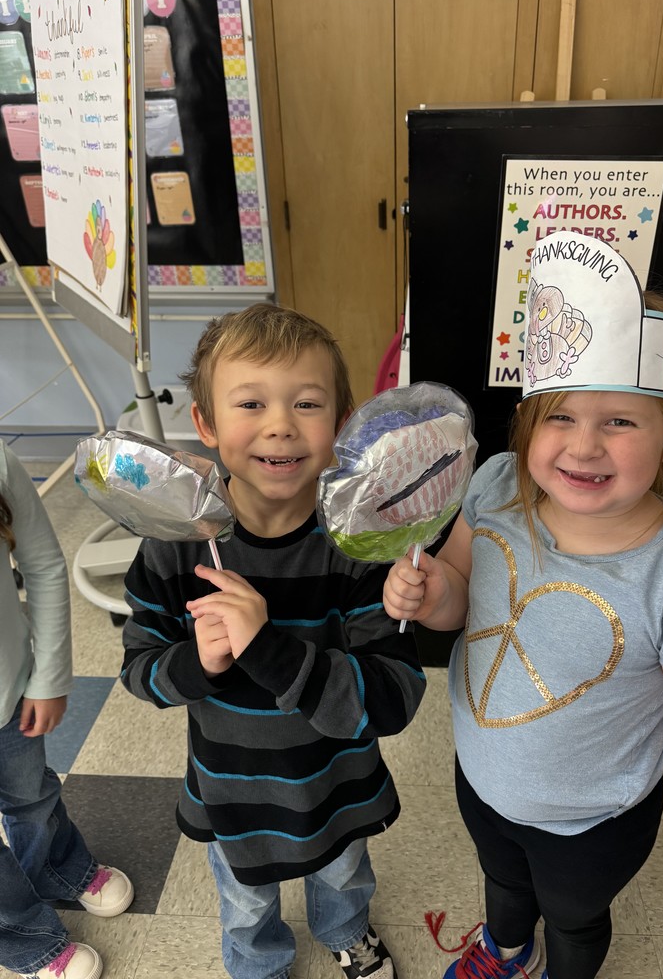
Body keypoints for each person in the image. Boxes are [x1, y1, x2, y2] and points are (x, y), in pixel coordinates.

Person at [383, 231, 663, 979]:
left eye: (620, 421)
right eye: (560, 417)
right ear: (529, 428)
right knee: (503, 884)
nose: (583, 446)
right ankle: (506, 947)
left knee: (576, 916)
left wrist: (648, 717)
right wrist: (431, 596)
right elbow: (462, 594)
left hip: (593, 823)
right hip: (482, 775)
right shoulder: (496, 487)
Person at [120, 304, 426, 979]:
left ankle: (346, 931)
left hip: (336, 781)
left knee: (344, 874)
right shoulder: (175, 547)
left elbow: (396, 698)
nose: (281, 423)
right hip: (233, 786)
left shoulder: (358, 542)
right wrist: (196, 661)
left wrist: (271, 650)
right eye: (250, 402)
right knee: (244, 898)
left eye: (308, 403)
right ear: (205, 424)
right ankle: (257, 963)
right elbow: (139, 669)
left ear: (341, 422)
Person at [0, 439, 134, 979]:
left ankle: (58, 866)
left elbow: (44, 566)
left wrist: (50, 675)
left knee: (32, 795)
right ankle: (20, 932)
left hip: (9, 692)